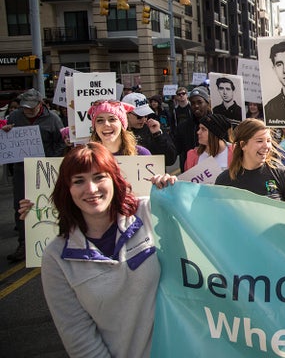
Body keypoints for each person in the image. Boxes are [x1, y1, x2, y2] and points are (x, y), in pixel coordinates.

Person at [19, 142, 176, 357]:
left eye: (99, 177)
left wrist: (175, 197)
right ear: (67, 190)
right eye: (78, 181)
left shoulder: (149, 211)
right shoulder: (56, 257)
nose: (91, 189)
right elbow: (79, 337)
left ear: (114, 178)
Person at [3, 88, 65, 262]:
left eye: (31, 107)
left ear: (40, 104)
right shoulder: (15, 117)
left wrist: (50, 160)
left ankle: (53, 239)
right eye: (25, 107)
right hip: (22, 169)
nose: (27, 110)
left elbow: (61, 143)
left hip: (46, 169)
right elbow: (8, 138)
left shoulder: (53, 119)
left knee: (49, 203)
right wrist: (5, 131)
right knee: (21, 206)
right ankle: (24, 243)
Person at [215, 118, 285, 203]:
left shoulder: (281, 173)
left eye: (268, 141)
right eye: (259, 141)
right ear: (243, 145)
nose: (266, 146)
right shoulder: (224, 180)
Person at [122, 93, 177, 166]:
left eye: (146, 115)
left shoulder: (154, 128)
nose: (144, 119)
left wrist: (158, 136)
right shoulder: (117, 132)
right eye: (139, 116)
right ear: (126, 114)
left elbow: (171, 160)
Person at [174, 87, 212, 171]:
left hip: (213, 170)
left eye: (199, 102)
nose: (196, 106)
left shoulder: (216, 125)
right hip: (191, 172)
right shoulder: (182, 127)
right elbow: (174, 151)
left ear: (207, 103)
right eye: (193, 103)